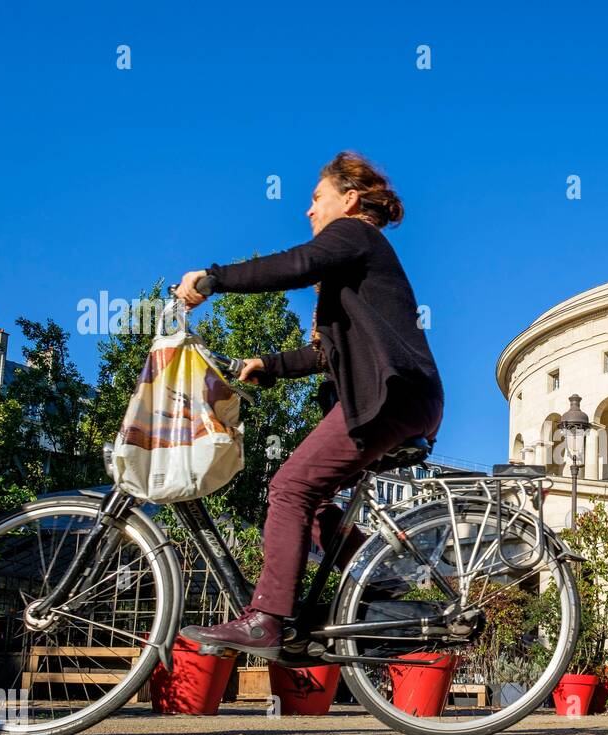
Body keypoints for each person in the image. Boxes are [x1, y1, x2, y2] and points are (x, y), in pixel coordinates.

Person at [175, 151, 444, 659]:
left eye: (316, 198)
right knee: (312, 498)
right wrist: (267, 364)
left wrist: (213, 279)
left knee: (290, 487)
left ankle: (266, 619)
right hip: (405, 398)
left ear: (349, 199)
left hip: (393, 398)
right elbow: (327, 351)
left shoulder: (355, 236)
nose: (308, 210)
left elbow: (298, 264)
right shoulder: (358, 255)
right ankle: (378, 578)